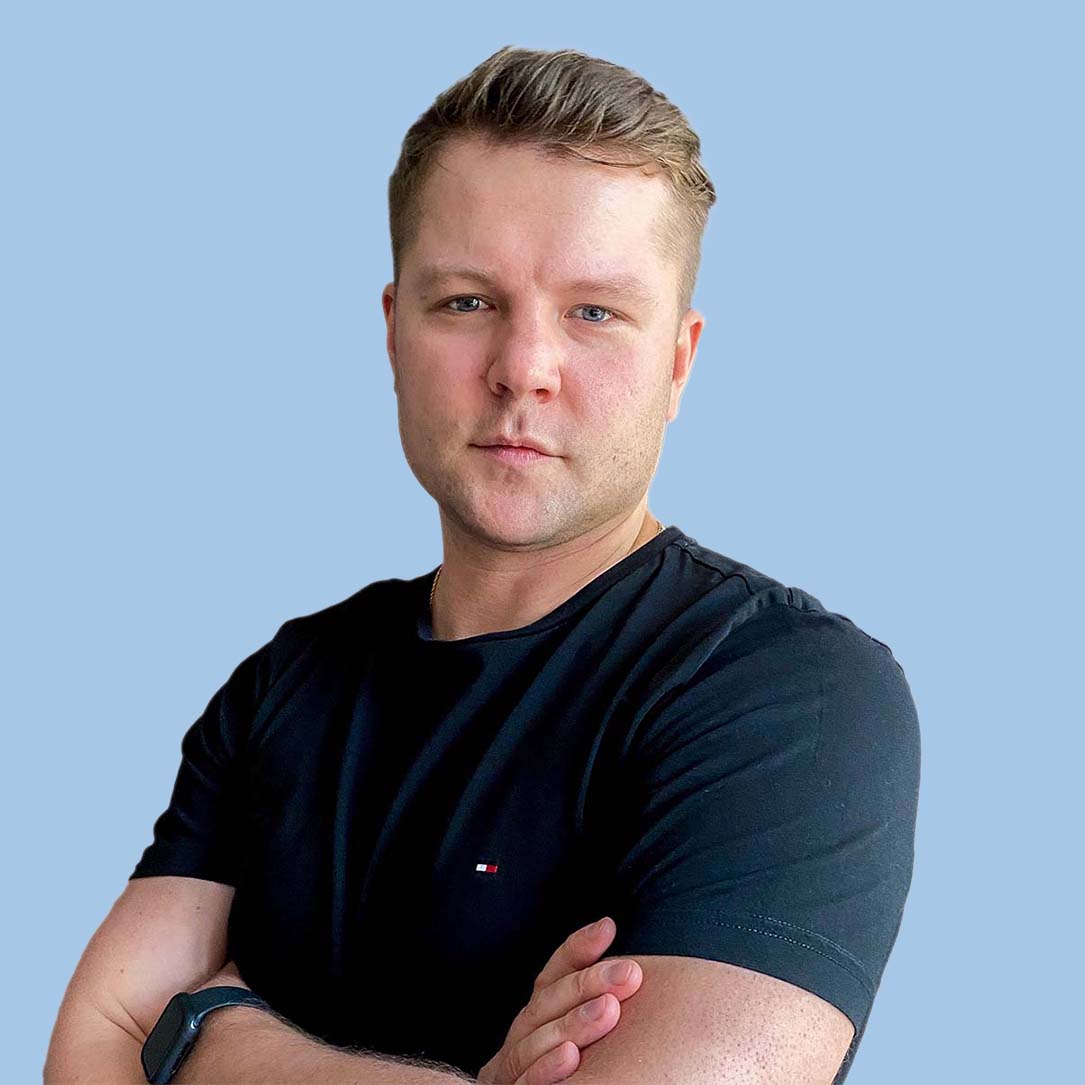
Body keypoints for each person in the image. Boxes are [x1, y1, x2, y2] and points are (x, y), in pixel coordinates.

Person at [45, 45, 920, 1085]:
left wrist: (213, 1035)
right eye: (466, 301)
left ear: (677, 360)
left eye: (593, 311)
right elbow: (89, 1049)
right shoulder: (283, 683)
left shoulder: (786, 692)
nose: (522, 368)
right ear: (392, 331)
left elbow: (143, 1034)